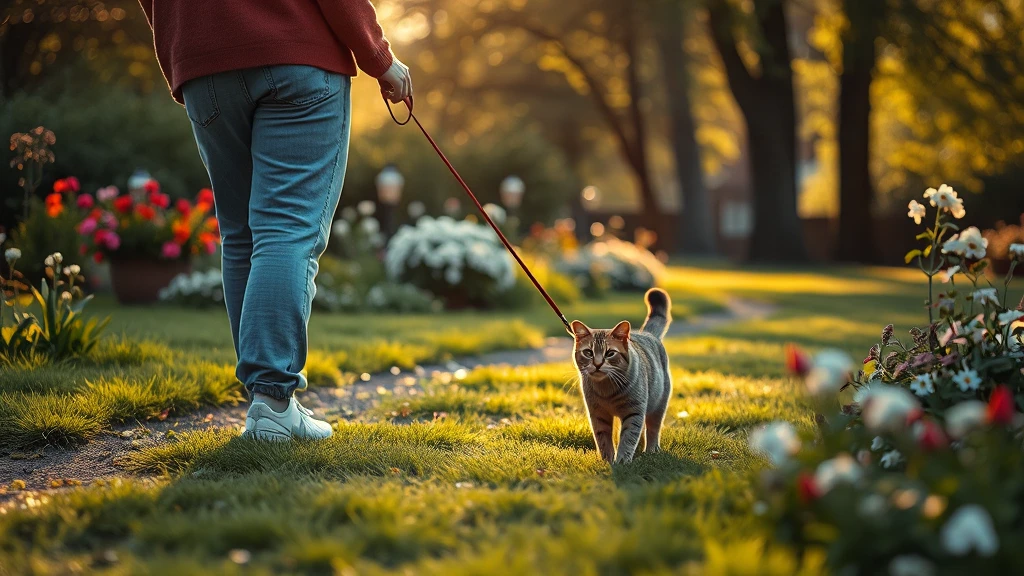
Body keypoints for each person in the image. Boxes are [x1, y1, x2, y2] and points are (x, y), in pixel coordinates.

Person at [139, 1, 413, 440]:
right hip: (297, 54)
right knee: (286, 227)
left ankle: (265, 402)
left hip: (202, 67)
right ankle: (272, 400)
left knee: (241, 234)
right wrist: (379, 58)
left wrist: (186, 44)